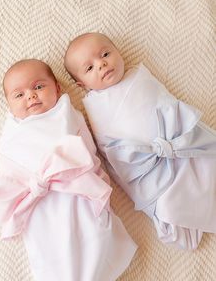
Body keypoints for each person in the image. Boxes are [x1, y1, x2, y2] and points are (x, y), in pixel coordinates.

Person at [0, 59, 137, 281]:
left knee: (94, 235)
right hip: (38, 203)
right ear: (9, 105)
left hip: (77, 192)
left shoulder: (65, 114)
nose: (31, 96)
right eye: (19, 95)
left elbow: (87, 151)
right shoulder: (11, 135)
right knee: (49, 250)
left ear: (57, 87)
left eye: (38, 87)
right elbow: (9, 169)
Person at [64, 32, 216, 250]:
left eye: (105, 53)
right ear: (81, 84)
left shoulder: (139, 76)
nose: (102, 64)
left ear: (118, 52)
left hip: (178, 139)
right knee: (169, 207)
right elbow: (113, 156)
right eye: (89, 68)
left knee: (205, 162)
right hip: (148, 166)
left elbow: (166, 102)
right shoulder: (95, 108)